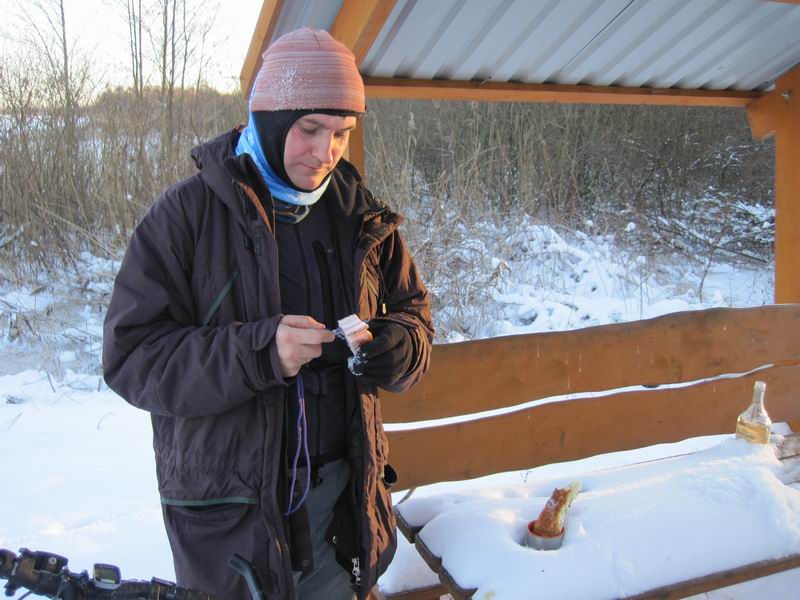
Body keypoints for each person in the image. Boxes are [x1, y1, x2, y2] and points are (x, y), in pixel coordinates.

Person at [102, 28, 433, 600]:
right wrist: (259, 352)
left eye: (340, 134)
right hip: (234, 517)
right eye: (309, 130)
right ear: (272, 119)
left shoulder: (361, 215)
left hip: (344, 503)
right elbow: (132, 359)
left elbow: (415, 316)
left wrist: (400, 347)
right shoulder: (185, 216)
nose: (325, 152)